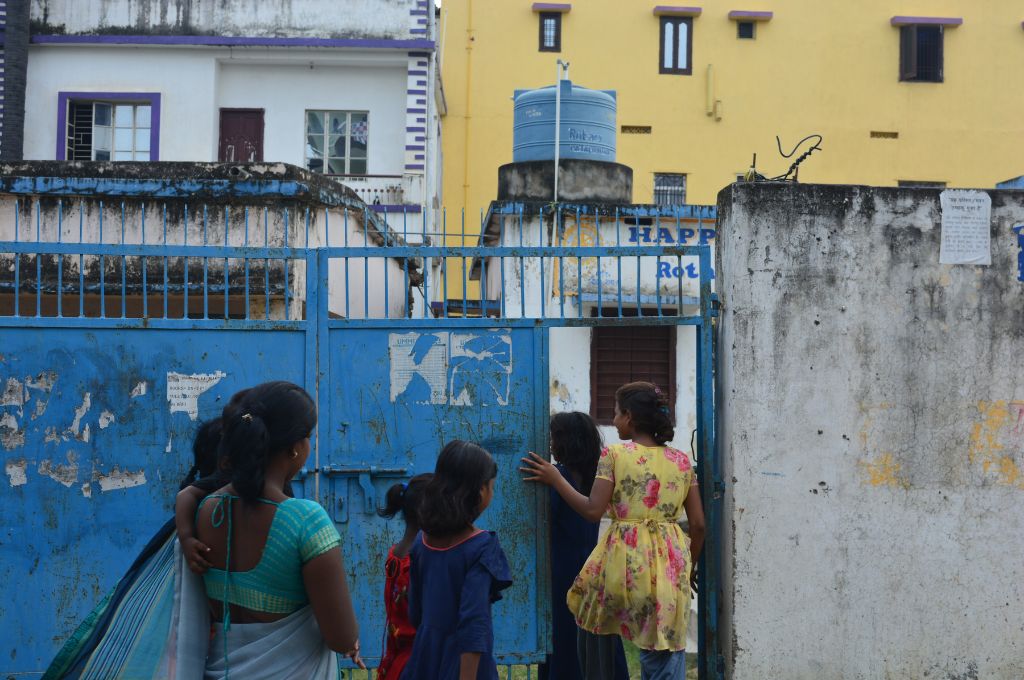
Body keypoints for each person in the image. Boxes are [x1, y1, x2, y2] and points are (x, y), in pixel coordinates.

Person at [521, 382, 706, 680]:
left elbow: (593, 510)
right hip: (670, 566)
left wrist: (556, 478)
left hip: (624, 568)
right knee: (663, 654)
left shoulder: (615, 455)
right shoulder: (682, 461)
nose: (614, 420)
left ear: (630, 417)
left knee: (590, 626)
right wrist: (690, 566)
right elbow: (698, 524)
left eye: (616, 413)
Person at [195, 380, 363, 678]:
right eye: (308, 437)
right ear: (295, 449)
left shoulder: (210, 510)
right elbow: (342, 638)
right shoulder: (305, 521)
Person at [400, 440, 512, 680]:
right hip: (466, 670)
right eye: (491, 487)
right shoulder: (482, 547)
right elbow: (474, 625)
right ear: (481, 491)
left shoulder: (422, 542)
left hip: (424, 661)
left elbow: (416, 614)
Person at [538, 412, 629, 680]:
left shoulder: (559, 476)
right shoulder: (596, 476)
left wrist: (554, 478)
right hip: (593, 566)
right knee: (596, 633)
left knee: (563, 635)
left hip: (562, 569)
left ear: (567, 440)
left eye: (554, 437)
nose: (551, 443)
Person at [377, 473, 433, 680]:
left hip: (395, 665)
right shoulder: (420, 563)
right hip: (419, 666)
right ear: (430, 512)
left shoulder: (395, 555)